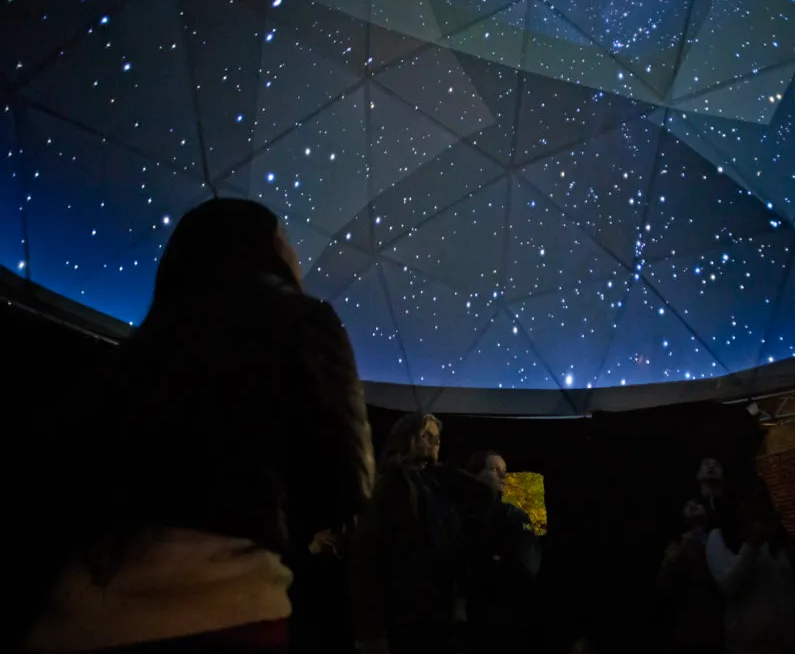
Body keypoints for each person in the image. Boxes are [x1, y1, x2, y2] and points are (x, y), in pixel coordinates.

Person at [22, 198, 374, 653]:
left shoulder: (140, 350)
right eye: (288, 240)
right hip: (225, 609)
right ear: (269, 247)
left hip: (78, 619)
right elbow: (345, 485)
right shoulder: (302, 319)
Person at [352, 414, 475, 654]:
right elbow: (367, 560)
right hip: (404, 612)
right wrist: (371, 632)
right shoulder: (389, 486)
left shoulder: (434, 484)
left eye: (437, 439)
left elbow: (482, 494)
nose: (435, 443)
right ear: (406, 439)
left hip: (436, 611)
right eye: (426, 436)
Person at [706, 485, 795, 654]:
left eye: (759, 498)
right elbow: (728, 585)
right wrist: (751, 546)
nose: (753, 505)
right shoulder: (719, 537)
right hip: (751, 646)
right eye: (746, 499)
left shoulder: (778, 536)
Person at [461, 451, 542, 654]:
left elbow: (525, 569)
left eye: (504, 471)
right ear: (475, 474)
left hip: (503, 621)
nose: (503, 476)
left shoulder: (513, 517)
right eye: (496, 470)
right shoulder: (457, 514)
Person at [657, 499, 724, 654]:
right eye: (687, 505)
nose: (693, 505)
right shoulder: (677, 546)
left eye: (698, 503)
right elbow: (664, 581)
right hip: (691, 629)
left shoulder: (718, 541)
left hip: (718, 626)